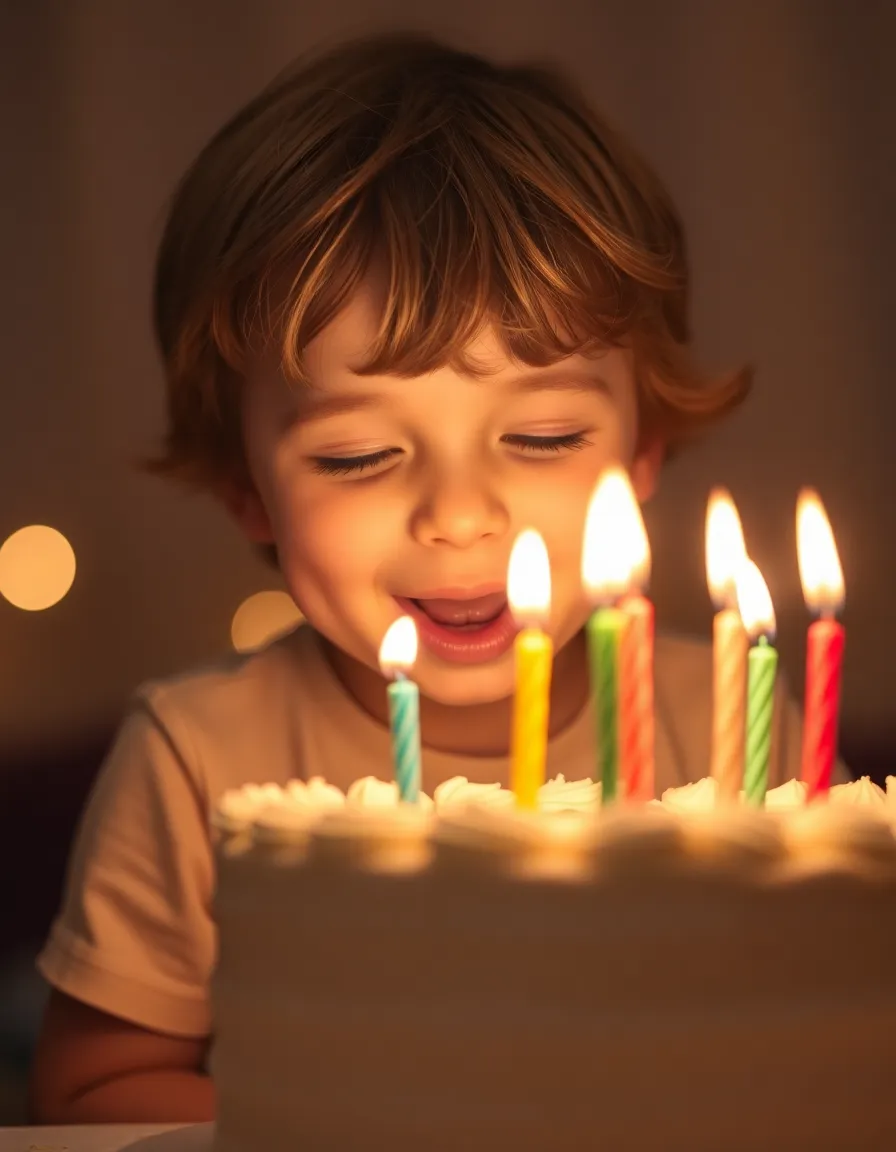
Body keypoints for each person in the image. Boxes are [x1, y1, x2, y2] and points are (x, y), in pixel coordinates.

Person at [29, 30, 836, 1124]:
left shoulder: (737, 726)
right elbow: (95, 1089)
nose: (459, 516)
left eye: (543, 435)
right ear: (247, 489)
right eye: (359, 455)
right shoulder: (195, 765)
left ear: (642, 447)